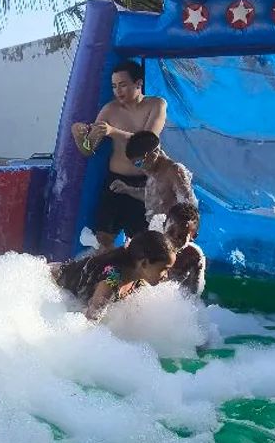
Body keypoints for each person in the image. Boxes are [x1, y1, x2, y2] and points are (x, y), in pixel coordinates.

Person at [71, 61, 167, 248]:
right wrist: (79, 135)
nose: (118, 91)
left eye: (122, 85)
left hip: (144, 183)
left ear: (138, 84)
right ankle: (109, 268)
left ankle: (136, 267)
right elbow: (88, 149)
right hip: (115, 181)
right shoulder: (109, 110)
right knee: (103, 238)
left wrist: (113, 131)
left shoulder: (157, 104)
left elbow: (148, 141)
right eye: (114, 86)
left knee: (141, 241)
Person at [50, 230, 175, 321]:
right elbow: (90, 319)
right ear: (144, 263)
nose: (166, 275)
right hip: (49, 279)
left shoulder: (138, 281)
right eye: (164, 269)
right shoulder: (112, 279)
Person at [110, 131, 196, 228]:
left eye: (138, 163)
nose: (139, 168)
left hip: (170, 230)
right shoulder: (153, 171)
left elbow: (188, 206)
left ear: (152, 155)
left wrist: (176, 232)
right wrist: (127, 189)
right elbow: (153, 196)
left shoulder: (174, 171)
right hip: (156, 227)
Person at [164, 202, 206, 297]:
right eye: (170, 231)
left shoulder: (193, 256)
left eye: (181, 236)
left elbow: (194, 295)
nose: (174, 238)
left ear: (193, 236)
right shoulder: (151, 245)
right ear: (163, 226)